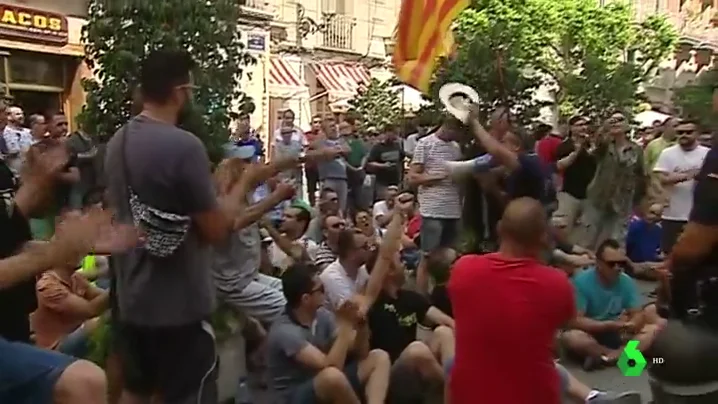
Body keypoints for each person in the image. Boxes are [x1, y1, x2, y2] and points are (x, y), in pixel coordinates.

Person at [104, 49, 250, 403]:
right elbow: (216, 231)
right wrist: (245, 183)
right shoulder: (184, 146)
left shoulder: (116, 143)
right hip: (178, 308)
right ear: (178, 91)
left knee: (136, 393)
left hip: (132, 302)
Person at [0, 139, 138, 404]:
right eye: (69, 165)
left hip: (15, 334)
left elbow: (16, 247)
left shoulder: (13, 206)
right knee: (85, 382)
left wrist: (84, 243)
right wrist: (60, 250)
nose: (75, 176)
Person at [448, 198, 574, 404]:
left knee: (451, 365)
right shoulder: (557, 283)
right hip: (532, 396)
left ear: (499, 229)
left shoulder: (463, 269)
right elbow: (564, 323)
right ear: (543, 237)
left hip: (470, 395)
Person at [266, 263, 391, 404]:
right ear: (306, 299)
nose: (325, 293)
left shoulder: (322, 315)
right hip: (294, 397)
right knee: (331, 376)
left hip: (322, 386)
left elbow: (361, 352)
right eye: (321, 289)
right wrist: (346, 325)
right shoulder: (285, 332)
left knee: (379, 357)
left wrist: (361, 324)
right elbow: (332, 368)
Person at [561, 239, 664, 370]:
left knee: (653, 330)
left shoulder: (626, 281)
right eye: (611, 264)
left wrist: (632, 323)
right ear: (598, 264)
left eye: (621, 264)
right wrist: (605, 326)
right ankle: (620, 355)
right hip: (591, 332)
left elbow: (637, 313)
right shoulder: (581, 282)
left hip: (617, 331)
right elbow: (575, 320)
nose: (617, 268)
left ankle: (609, 356)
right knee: (572, 337)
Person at [31, 212, 110, 358]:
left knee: (111, 312)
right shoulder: (48, 285)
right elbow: (90, 309)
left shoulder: (75, 278)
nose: (81, 253)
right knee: (97, 323)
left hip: (73, 337)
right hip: (55, 350)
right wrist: (121, 283)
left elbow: (102, 296)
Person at [577, 113, 646, 250]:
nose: (616, 123)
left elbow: (641, 175)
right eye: (613, 120)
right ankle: (583, 267)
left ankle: (612, 266)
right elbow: (592, 146)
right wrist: (605, 127)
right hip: (599, 197)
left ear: (627, 125)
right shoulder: (604, 145)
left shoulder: (636, 150)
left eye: (620, 120)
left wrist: (638, 200)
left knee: (616, 240)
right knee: (588, 237)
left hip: (622, 201)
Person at [408, 116, 461, 294]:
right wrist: (436, 177)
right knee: (428, 257)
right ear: (447, 126)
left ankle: (442, 296)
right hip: (433, 208)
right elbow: (412, 177)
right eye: (455, 131)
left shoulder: (455, 147)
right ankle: (422, 298)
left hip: (452, 209)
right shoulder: (425, 144)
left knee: (448, 257)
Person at [652, 119, 709, 254]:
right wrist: (693, 174)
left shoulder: (707, 154)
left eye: (689, 132)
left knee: (697, 254)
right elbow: (662, 178)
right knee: (669, 252)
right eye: (680, 132)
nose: (684, 135)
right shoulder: (668, 153)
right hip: (672, 213)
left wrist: (676, 176)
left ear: (697, 134)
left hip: (699, 214)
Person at [554, 115, 596, 237]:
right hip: (570, 193)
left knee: (585, 231)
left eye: (585, 125)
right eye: (579, 125)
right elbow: (561, 165)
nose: (583, 127)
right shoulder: (565, 145)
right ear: (571, 128)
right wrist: (577, 150)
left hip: (589, 194)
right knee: (565, 227)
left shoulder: (591, 145)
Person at [319, 228, 376, 309]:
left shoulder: (363, 269)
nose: (370, 249)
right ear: (351, 253)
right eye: (365, 247)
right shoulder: (332, 277)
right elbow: (354, 311)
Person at [266, 202, 319, 274]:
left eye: (288, 217)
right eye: (283, 216)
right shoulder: (270, 243)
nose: (283, 219)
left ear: (302, 222)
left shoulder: (310, 246)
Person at [313, 115, 350, 214]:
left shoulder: (341, 140)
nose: (333, 128)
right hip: (327, 178)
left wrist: (334, 152)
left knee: (342, 207)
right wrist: (336, 151)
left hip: (342, 178)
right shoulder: (319, 141)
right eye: (331, 126)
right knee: (327, 207)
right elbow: (322, 153)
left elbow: (348, 150)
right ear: (324, 129)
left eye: (334, 126)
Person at [366, 123, 404, 202]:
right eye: (394, 133)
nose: (395, 136)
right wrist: (383, 165)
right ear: (387, 133)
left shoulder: (397, 146)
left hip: (395, 180)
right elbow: (370, 162)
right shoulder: (378, 147)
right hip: (382, 182)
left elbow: (401, 160)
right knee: (383, 201)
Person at [66, 126, 100, 209]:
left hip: (91, 179)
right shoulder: (72, 139)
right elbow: (69, 157)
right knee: (76, 201)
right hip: (78, 178)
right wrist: (87, 155)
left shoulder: (93, 138)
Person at [2, 105, 32, 173]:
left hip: (30, 172)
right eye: (17, 114)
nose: (21, 116)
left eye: (22, 114)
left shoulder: (29, 132)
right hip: (13, 172)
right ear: (9, 117)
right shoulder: (4, 133)